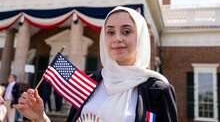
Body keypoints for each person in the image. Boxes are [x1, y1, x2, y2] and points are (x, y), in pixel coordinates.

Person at [15, 6, 177, 122]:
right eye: (110, 32)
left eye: (126, 31)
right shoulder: (90, 83)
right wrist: (41, 117)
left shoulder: (157, 90)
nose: (117, 38)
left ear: (140, 37)